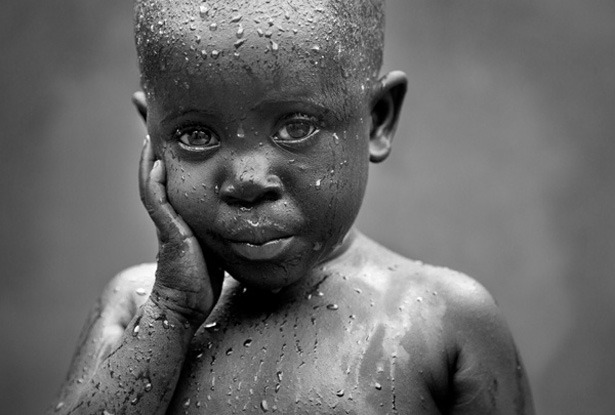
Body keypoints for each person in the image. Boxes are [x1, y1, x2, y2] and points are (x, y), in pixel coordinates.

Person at [50, 0, 534, 413]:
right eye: (196, 135)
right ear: (152, 137)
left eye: (296, 127)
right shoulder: (137, 306)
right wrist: (171, 313)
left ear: (378, 118)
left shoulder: (441, 321)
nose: (246, 181)